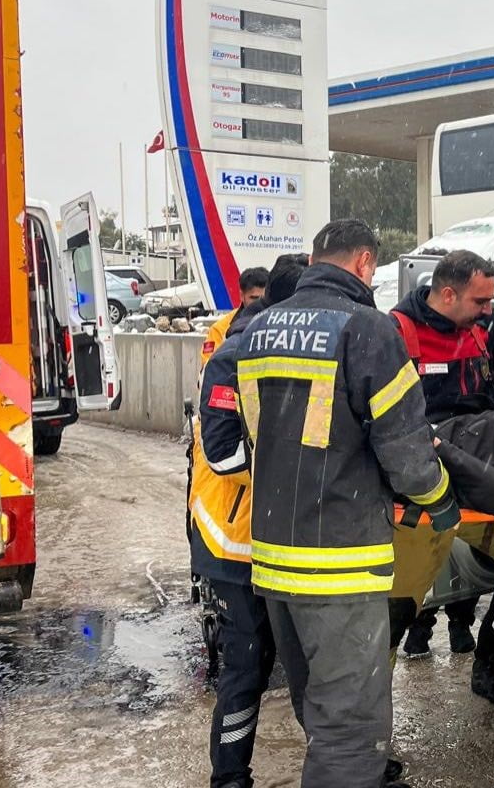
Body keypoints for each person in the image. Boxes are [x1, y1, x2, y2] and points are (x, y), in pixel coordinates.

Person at [236, 220, 459, 788]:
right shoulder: (368, 329)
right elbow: (408, 457)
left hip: (272, 561)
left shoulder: (258, 329)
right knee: (353, 732)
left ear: (315, 259)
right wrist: (442, 501)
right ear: (365, 263)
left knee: (320, 712)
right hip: (338, 564)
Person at [384, 250, 494, 709]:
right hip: (422, 496)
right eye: (480, 301)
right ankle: (367, 733)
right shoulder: (395, 333)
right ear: (447, 294)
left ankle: (492, 670)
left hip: (482, 483)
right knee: (394, 610)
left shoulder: (487, 332)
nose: (489, 310)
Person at [195, 253, 308, 788]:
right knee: (247, 665)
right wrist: (297, 476)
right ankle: (230, 777)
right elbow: (222, 455)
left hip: (285, 537)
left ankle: (343, 764)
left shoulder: (303, 349)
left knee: (306, 660)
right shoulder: (231, 356)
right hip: (234, 540)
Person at [200, 267, 269, 367]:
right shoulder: (220, 329)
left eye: (264, 298)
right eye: (254, 298)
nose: (259, 303)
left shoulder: (277, 322)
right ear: (242, 295)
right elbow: (210, 367)